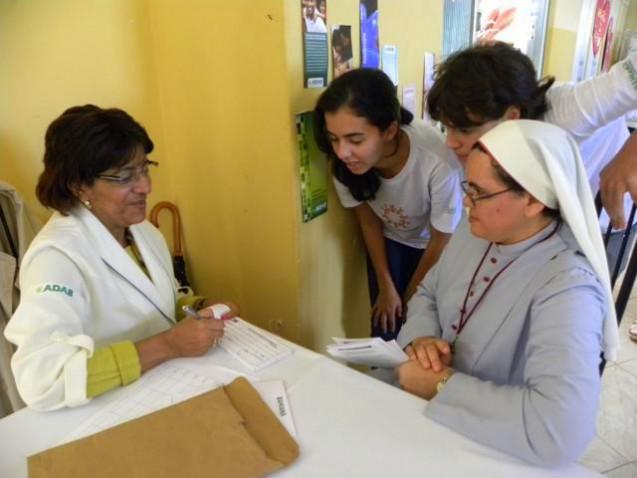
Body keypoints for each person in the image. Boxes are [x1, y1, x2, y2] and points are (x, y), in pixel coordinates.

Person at [396, 120, 617, 466]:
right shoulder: (475, 231)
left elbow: (560, 430)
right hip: (424, 424)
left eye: (478, 193)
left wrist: (441, 384)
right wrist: (422, 338)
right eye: (466, 188)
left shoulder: (568, 285)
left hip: (492, 449)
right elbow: (427, 292)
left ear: (531, 200)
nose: (466, 203)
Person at [4, 105, 238, 411]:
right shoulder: (56, 257)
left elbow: (151, 303)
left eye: (145, 168)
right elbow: (43, 380)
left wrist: (196, 309)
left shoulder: (141, 231)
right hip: (108, 408)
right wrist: (168, 344)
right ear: (79, 185)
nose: (146, 187)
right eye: (125, 176)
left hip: (165, 385)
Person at [427, 42, 637, 274]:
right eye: (447, 129)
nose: (451, 143)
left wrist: (631, 153)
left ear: (512, 116)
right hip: (551, 220)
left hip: (607, 220)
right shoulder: (478, 148)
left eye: (464, 130)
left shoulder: (570, 112)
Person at [314, 68, 462, 340]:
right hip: (390, 243)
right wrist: (386, 286)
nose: (342, 152)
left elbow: (442, 238)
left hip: (435, 246)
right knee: (385, 326)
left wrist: (409, 299)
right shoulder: (344, 165)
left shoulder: (438, 160)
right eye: (334, 138)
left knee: (423, 328)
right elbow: (368, 220)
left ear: (390, 130)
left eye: (355, 139)